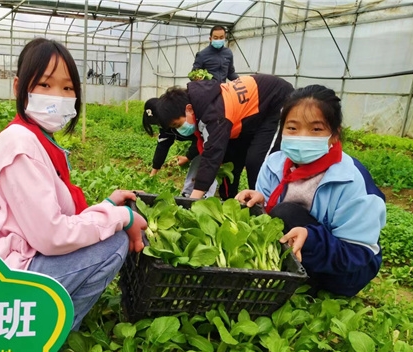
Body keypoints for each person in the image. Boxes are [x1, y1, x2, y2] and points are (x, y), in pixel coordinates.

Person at [0, 38, 147, 331]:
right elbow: (52, 236)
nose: (58, 96)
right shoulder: (20, 144)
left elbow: (53, 216)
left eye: (68, 88)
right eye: (45, 85)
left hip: (8, 257)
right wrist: (122, 216)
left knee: (106, 232)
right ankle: (47, 335)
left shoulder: (37, 138)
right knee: (113, 244)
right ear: (19, 87)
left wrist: (107, 206)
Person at [235, 85, 386, 297]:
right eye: (292, 128)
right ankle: (293, 272)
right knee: (273, 213)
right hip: (301, 249)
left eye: (316, 129)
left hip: (347, 270)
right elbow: (267, 222)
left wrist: (311, 239)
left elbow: (359, 254)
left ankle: (310, 283)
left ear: (334, 135)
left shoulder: (351, 179)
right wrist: (261, 202)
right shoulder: (274, 163)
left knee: (285, 213)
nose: (302, 137)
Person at [156, 74, 294, 199]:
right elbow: (208, 147)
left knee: (257, 161)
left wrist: (194, 198)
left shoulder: (215, 113)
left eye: (177, 124)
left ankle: (264, 205)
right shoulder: (200, 105)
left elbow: (212, 155)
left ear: (188, 109)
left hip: (276, 101)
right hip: (249, 116)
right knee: (229, 159)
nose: (179, 129)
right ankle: (228, 199)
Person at [142, 98, 217, 197]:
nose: (161, 125)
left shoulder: (186, 117)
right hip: (201, 144)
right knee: (199, 159)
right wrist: (153, 173)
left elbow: (200, 139)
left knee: (208, 162)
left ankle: (206, 196)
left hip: (212, 139)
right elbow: (162, 146)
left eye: (160, 122)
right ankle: (188, 193)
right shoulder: (166, 127)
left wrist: (188, 157)